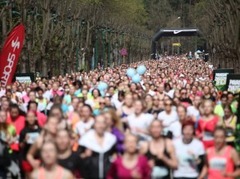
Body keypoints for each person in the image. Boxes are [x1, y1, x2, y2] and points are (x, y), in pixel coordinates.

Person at [79, 114, 117, 178]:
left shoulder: (111, 139)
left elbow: (114, 157)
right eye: (98, 123)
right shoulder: (85, 139)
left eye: (103, 123)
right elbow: (77, 158)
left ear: (105, 125)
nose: (100, 126)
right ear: (94, 124)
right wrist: (85, 155)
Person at [19, 111, 41, 176]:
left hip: (38, 158)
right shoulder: (23, 131)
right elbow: (20, 146)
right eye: (29, 117)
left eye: (32, 117)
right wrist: (24, 140)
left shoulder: (40, 130)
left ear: (36, 118)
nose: (31, 119)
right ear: (26, 119)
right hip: (26, 159)